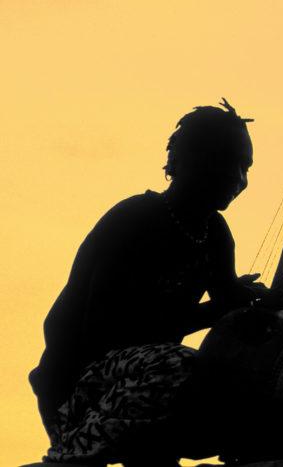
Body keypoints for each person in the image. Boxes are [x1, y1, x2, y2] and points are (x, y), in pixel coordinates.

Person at [29, 99, 270, 465]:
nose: (239, 178)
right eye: (228, 161)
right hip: (78, 386)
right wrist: (218, 309)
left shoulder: (215, 234)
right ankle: (76, 449)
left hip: (144, 383)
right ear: (191, 160)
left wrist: (280, 300)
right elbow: (105, 332)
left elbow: (230, 307)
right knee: (181, 365)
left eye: (246, 167)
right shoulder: (136, 220)